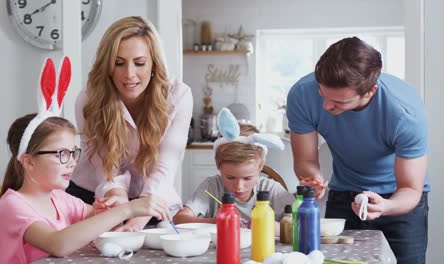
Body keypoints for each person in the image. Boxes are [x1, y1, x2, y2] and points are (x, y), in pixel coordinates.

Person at [286, 36, 428, 263]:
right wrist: (312, 178)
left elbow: (411, 189)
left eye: (339, 103)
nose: (325, 106)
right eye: (323, 94)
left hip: (398, 202)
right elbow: (305, 160)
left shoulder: (405, 114)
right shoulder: (302, 95)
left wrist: (386, 206)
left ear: (370, 91)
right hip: (344, 197)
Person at [66, 16, 193, 231]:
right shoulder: (89, 100)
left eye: (140, 63)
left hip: (153, 198)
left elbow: (167, 163)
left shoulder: (178, 97)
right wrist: (117, 200)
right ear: (107, 66)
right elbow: (103, 164)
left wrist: (138, 218)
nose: (129, 74)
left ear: (154, 63)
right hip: (94, 196)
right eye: (119, 63)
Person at [0, 113, 171, 263]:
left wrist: (107, 211)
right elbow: (57, 244)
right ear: (29, 161)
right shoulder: (13, 206)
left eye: (73, 153)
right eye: (62, 154)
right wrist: (127, 210)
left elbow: (95, 222)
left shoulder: (59, 198)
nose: (72, 163)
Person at [173, 108, 294, 235]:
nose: (239, 186)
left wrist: (278, 228)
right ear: (218, 166)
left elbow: (304, 224)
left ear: (260, 166)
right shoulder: (212, 187)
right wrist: (215, 222)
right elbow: (178, 220)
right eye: (230, 177)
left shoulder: (271, 190)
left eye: (247, 178)